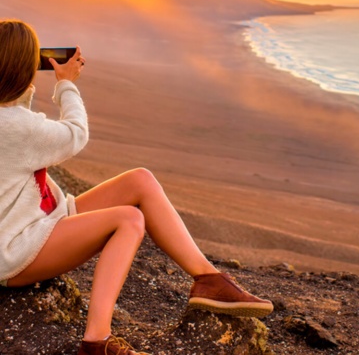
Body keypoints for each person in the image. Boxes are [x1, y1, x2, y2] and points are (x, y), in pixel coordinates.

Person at [0, 20, 273, 355]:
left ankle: (208, 281)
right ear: (21, 69)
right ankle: (96, 341)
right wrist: (65, 85)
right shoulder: (15, 128)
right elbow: (75, 133)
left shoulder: (10, 119)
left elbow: (14, 116)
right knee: (128, 220)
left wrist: (19, 82)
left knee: (140, 179)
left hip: (34, 221)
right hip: (14, 251)